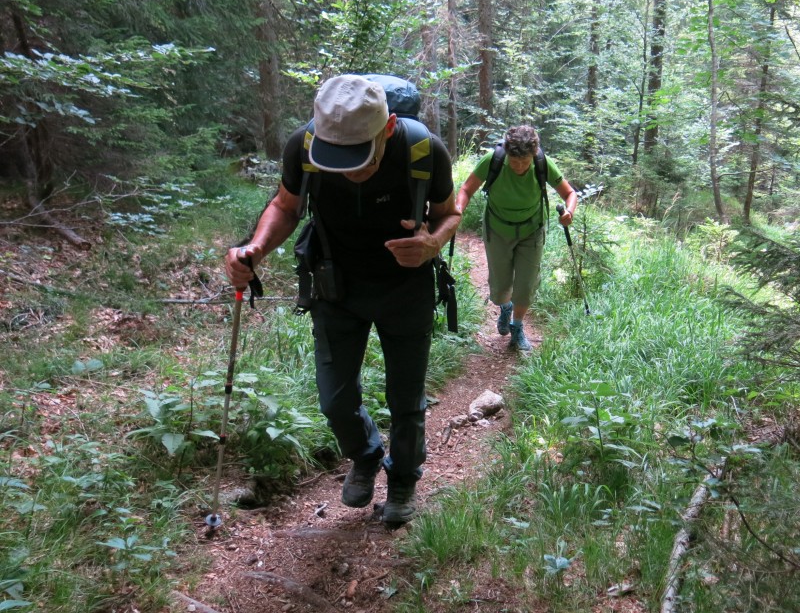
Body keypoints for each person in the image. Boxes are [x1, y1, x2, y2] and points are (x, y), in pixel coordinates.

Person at [224, 75, 461, 525]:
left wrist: (431, 243)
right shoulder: (305, 146)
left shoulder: (424, 150)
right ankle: (366, 454)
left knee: (406, 398)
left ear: (388, 128)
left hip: (405, 289)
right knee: (334, 399)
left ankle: (405, 479)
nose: (347, 169)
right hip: (335, 287)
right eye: (336, 157)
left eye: (358, 156)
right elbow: (285, 206)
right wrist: (254, 249)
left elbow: (449, 214)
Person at [455, 124, 577, 352]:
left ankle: (517, 326)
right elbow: (466, 190)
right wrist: (458, 210)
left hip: (532, 229)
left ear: (533, 155)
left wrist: (569, 212)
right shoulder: (494, 160)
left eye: (525, 161)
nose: (519, 166)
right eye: (515, 161)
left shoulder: (542, 162)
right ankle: (505, 306)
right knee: (500, 286)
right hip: (498, 229)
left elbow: (569, 193)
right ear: (507, 154)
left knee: (527, 283)